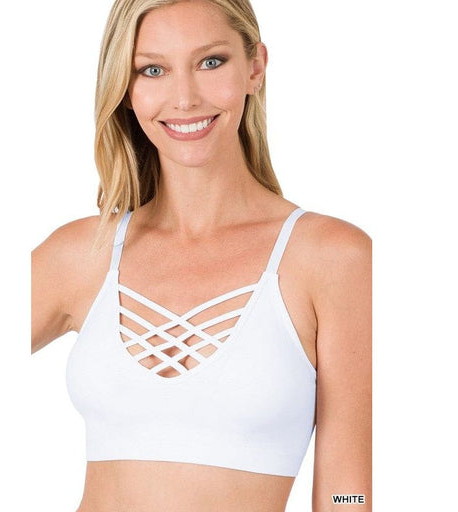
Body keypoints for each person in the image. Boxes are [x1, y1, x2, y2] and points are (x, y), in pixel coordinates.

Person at [31, 0, 372, 510]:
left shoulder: (332, 258)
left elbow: (349, 491)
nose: (185, 98)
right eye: (153, 70)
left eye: (210, 62)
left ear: (255, 66)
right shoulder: (84, 253)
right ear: (125, 89)